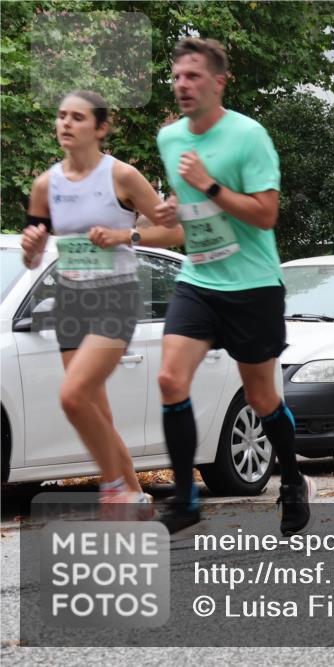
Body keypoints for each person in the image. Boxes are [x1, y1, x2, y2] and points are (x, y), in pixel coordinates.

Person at [154, 38, 312, 536]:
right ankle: (184, 498)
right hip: (198, 279)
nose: (183, 84)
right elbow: (188, 221)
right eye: (177, 76)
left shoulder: (248, 137)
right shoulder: (170, 139)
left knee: (262, 398)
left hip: (252, 285)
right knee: (169, 380)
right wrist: (166, 214)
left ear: (218, 82)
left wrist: (208, 186)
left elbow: (266, 214)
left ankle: (291, 479)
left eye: (193, 76)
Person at [20, 90, 183, 512]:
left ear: (100, 127)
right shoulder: (45, 186)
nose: (66, 124)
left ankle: (114, 487)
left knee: (73, 396)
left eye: (77, 117)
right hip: (71, 299)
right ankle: (135, 497)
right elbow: (32, 256)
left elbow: (173, 233)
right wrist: (32, 246)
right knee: (96, 409)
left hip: (116, 297)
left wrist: (124, 235)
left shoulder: (122, 177)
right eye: (61, 116)